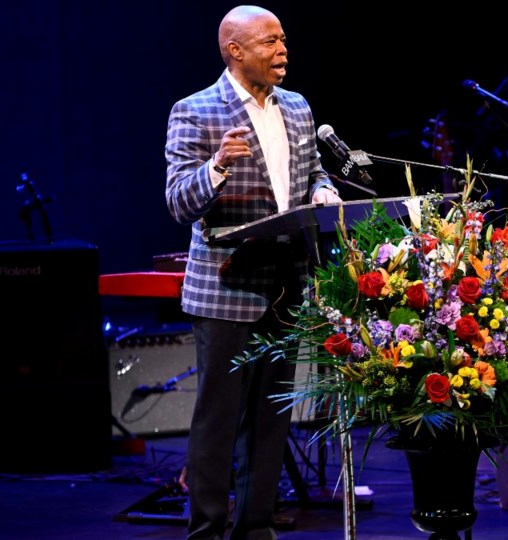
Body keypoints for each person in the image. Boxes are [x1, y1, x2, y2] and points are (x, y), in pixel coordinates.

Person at [164, 5, 342, 539]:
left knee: (271, 422)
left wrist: (323, 190)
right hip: (226, 289)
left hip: (287, 284)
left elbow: (312, 171)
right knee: (218, 422)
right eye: (269, 42)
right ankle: (208, 530)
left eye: (283, 39)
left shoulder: (298, 107)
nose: (282, 49)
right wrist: (216, 167)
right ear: (234, 51)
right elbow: (178, 202)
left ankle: (257, 528)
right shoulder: (195, 111)